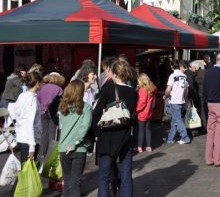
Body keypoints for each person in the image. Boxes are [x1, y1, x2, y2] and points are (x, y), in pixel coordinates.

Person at [93, 60, 138, 197]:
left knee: (104, 176)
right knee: (126, 176)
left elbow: (96, 113)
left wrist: (95, 134)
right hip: (126, 137)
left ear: (114, 73)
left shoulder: (108, 89)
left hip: (107, 137)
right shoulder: (133, 92)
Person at [58, 79, 92, 197]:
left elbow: (62, 125)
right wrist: (74, 143)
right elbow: (85, 127)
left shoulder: (63, 108)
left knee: (67, 182)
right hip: (79, 148)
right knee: (75, 183)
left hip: (63, 148)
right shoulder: (86, 108)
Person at [8, 71, 42, 162]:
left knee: (25, 170)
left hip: (22, 137)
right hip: (29, 140)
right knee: (28, 172)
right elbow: (29, 123)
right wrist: (32, 146)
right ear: (37, 83)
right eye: (41, 83)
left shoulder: (22, 96)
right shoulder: (32, 99)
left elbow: (16, 116)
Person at [37, 72, 65, 162]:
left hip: (42, 112)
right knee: (52, 135)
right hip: (53, 112)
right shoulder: (59, 89)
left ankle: (41, 155)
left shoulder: (42, 87)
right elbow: (62, 102)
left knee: (43, 134)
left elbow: (38, 98)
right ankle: (49, 156)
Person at [164, 60, 191, 144]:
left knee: (178, 120)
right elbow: (186, 90)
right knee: (175, 120)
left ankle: (185, 137)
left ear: (172, 66)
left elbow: (168, 89)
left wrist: (166, 95)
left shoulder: (172, 76)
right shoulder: (184, 76)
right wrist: (185, 98)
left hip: (174, 100)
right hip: (181, 100)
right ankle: (170, 138)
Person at [135, 73, 156, 152]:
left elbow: (142, 103)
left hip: (142, 113)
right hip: (149, 112)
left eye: (138, 80)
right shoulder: (152, 88)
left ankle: (140, 147)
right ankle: (148, 146)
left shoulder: (143, 90)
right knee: (148, 129)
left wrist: (136, 110)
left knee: (141, 130)